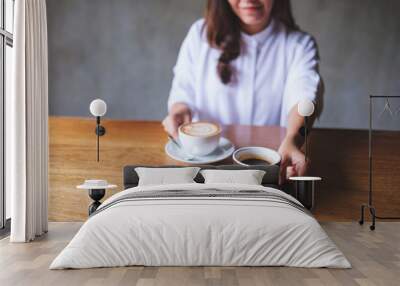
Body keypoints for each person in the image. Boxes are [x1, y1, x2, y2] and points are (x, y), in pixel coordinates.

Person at [163, 0, 322, 183]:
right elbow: (183, 92)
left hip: (270, 170)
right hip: (206, 169)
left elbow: (303, 98)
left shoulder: (299, 44)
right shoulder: (199, 35)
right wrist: (178, 112)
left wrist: (293, 140)